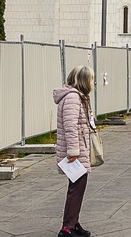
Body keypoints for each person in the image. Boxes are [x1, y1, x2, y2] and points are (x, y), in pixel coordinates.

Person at [53, 65, 96, 237]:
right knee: (76, 188)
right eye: (91, 79)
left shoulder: (78, 97)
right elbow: (70, 126)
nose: (92, 82)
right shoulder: (72, 98)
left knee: (77, 187)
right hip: (75, 151)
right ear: (83, 80)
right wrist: (73, 151)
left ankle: (73, 222)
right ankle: (67, 228)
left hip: (78, 148)